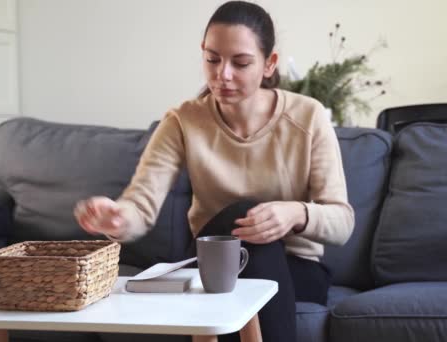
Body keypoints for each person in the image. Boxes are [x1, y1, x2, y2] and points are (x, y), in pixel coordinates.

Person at [74, 1, 354, 341]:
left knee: (248, 223)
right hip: (212, 265)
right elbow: (141, 206)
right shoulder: (183, 120)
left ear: (269, 64)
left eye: (241, 63)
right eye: (212, 59)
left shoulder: (308, 117)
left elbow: (342, 222)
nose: (223, 74)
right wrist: (117, 218)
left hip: (297, 270)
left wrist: (295, 213)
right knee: (242, 219)